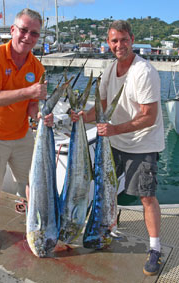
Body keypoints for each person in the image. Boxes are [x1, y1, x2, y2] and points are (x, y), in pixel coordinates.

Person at [71, 20, 165, 276]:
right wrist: (80, 116)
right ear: (108, 44)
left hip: (142, 143)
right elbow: (99, 109)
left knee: (146, 196)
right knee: (106, 190)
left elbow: (150, 116)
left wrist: (113, 129)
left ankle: (155, 249)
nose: (119, 45)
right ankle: (106, 230)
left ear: (132, 40)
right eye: (114, 41)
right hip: (115, 142)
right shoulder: (109, 69)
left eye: (124, 40)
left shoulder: (144, 72)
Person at [0, 8, 53, 250]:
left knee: (32, 181)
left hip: (21, 134)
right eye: (24, 30)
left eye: (34, 33)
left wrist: (40, 115)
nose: (28, 37)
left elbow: (31, 107)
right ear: (12, 30)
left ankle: (34, 222)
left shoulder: (36, 67)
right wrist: (29, 92)